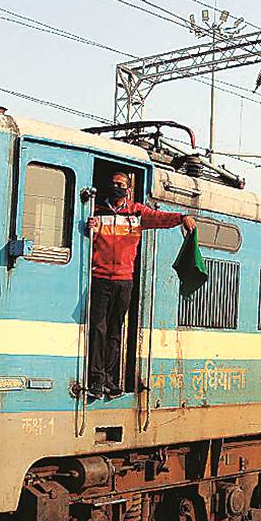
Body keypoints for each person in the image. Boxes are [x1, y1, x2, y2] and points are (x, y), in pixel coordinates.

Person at [86, 171, 194, 399]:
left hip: (124, 281)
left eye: (121, 184)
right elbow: (88, 239)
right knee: (98, 329)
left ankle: (109, 379)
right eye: (113, 183)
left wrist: (182, 217)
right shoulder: (96, 212)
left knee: (115, 331)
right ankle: (96, 379)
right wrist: (89, 228)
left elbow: (159, 218)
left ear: (127, 188)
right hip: (100, 278)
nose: (117, 187)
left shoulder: (137, 213)